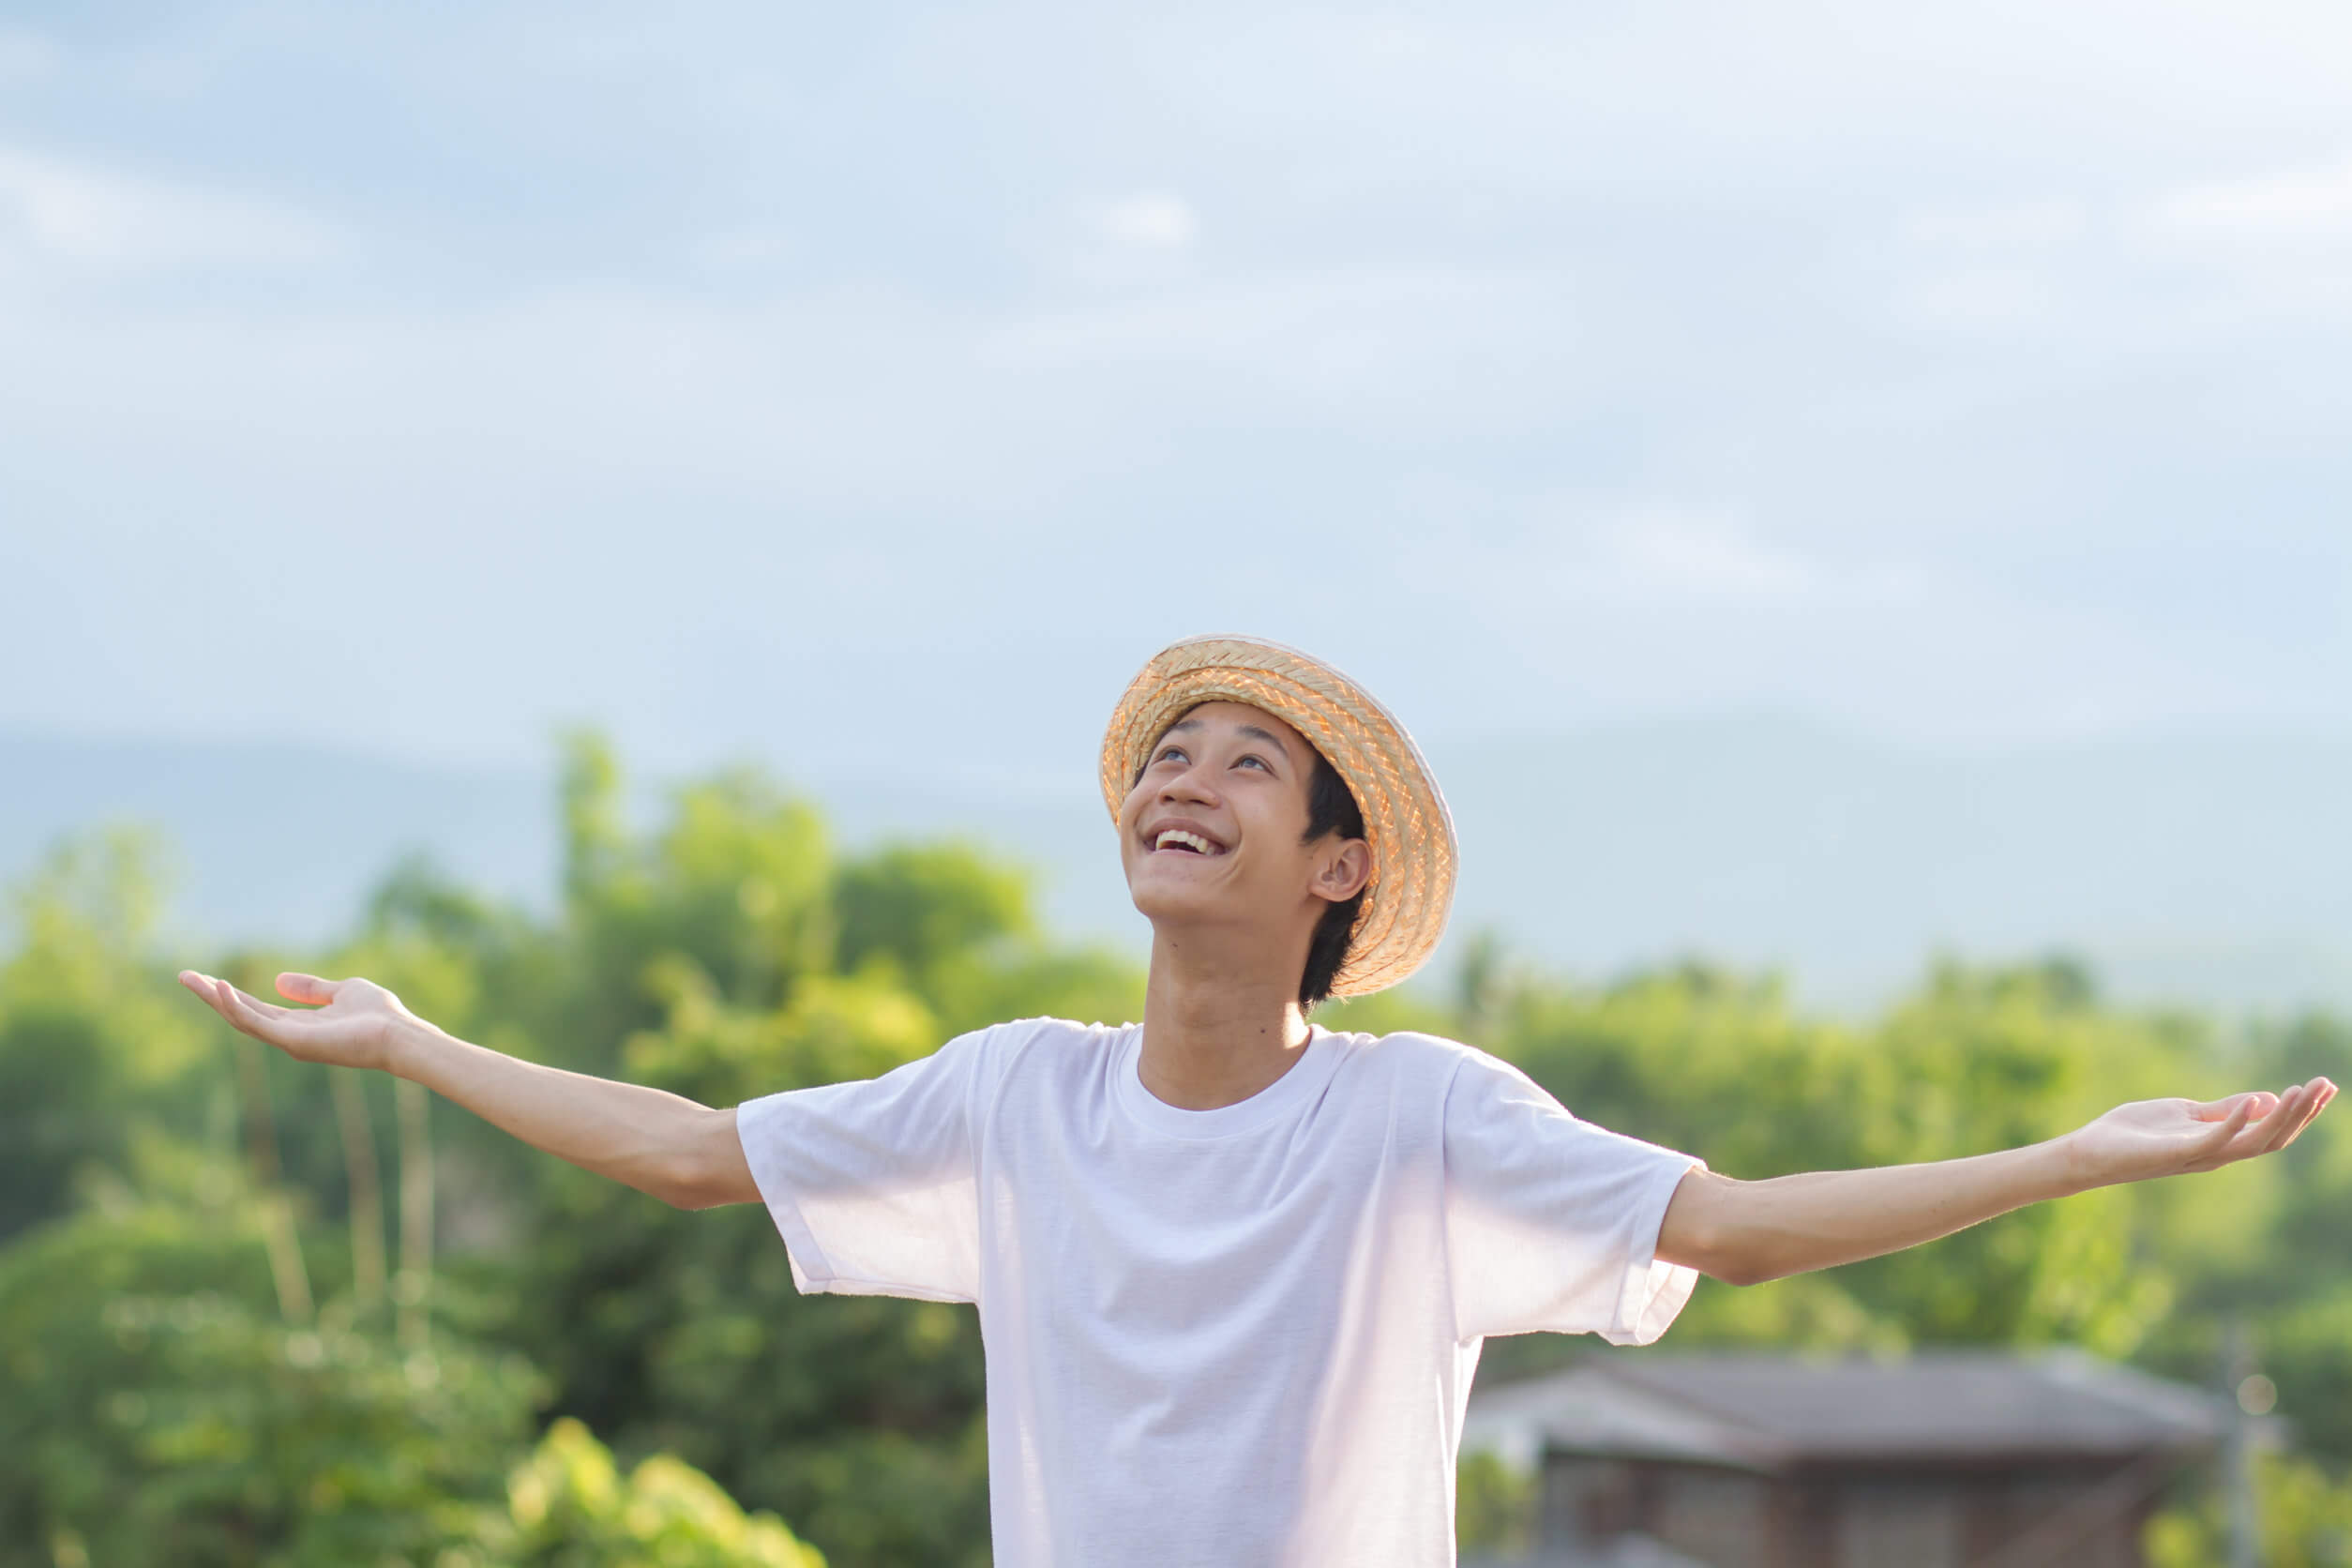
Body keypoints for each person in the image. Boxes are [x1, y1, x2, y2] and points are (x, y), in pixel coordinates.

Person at [180, 633, 2336, 1568]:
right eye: (1166, 749)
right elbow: (681, 1151)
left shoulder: (1422, 1121)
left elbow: (1736, 1222)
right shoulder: (1010, 1092)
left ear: (1334, 872)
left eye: (1242, 762)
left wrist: (2073, 1153)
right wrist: (408, 1038)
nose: (1178, 778)